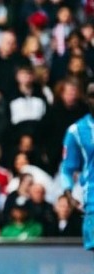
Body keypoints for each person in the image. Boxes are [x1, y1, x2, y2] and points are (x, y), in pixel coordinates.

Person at [60, 81, 94, 250]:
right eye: (93, 96)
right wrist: (69, 194)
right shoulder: (76, 131)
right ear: (87, 99)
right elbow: (67, 168)